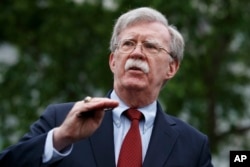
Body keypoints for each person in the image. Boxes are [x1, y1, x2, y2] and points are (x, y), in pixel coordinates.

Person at [0, 7, 213, 167]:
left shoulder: (193, 145)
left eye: (150, 46)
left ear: (172, 67)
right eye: (128, 44)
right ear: (113, 61)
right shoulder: (61, 119)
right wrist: (61, 137)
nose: (136, 53)